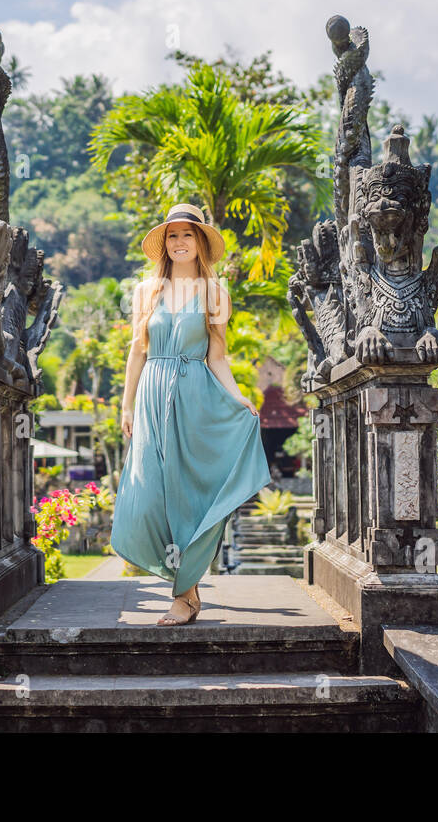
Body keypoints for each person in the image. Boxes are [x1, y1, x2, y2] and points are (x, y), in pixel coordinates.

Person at [109, 203, 271, 625]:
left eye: (187, 234)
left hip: (196, 396)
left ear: (200, 241)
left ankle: (184, 595)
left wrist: (238, 399)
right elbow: (137, 351)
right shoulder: (147, 290)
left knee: (189, 496)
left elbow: (217, 356)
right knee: (148, 497)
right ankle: (186, 588)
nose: (179, 242)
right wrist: (126, 405)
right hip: (151, 395)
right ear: (164, 243)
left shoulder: (216, 293)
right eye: (172, 235)